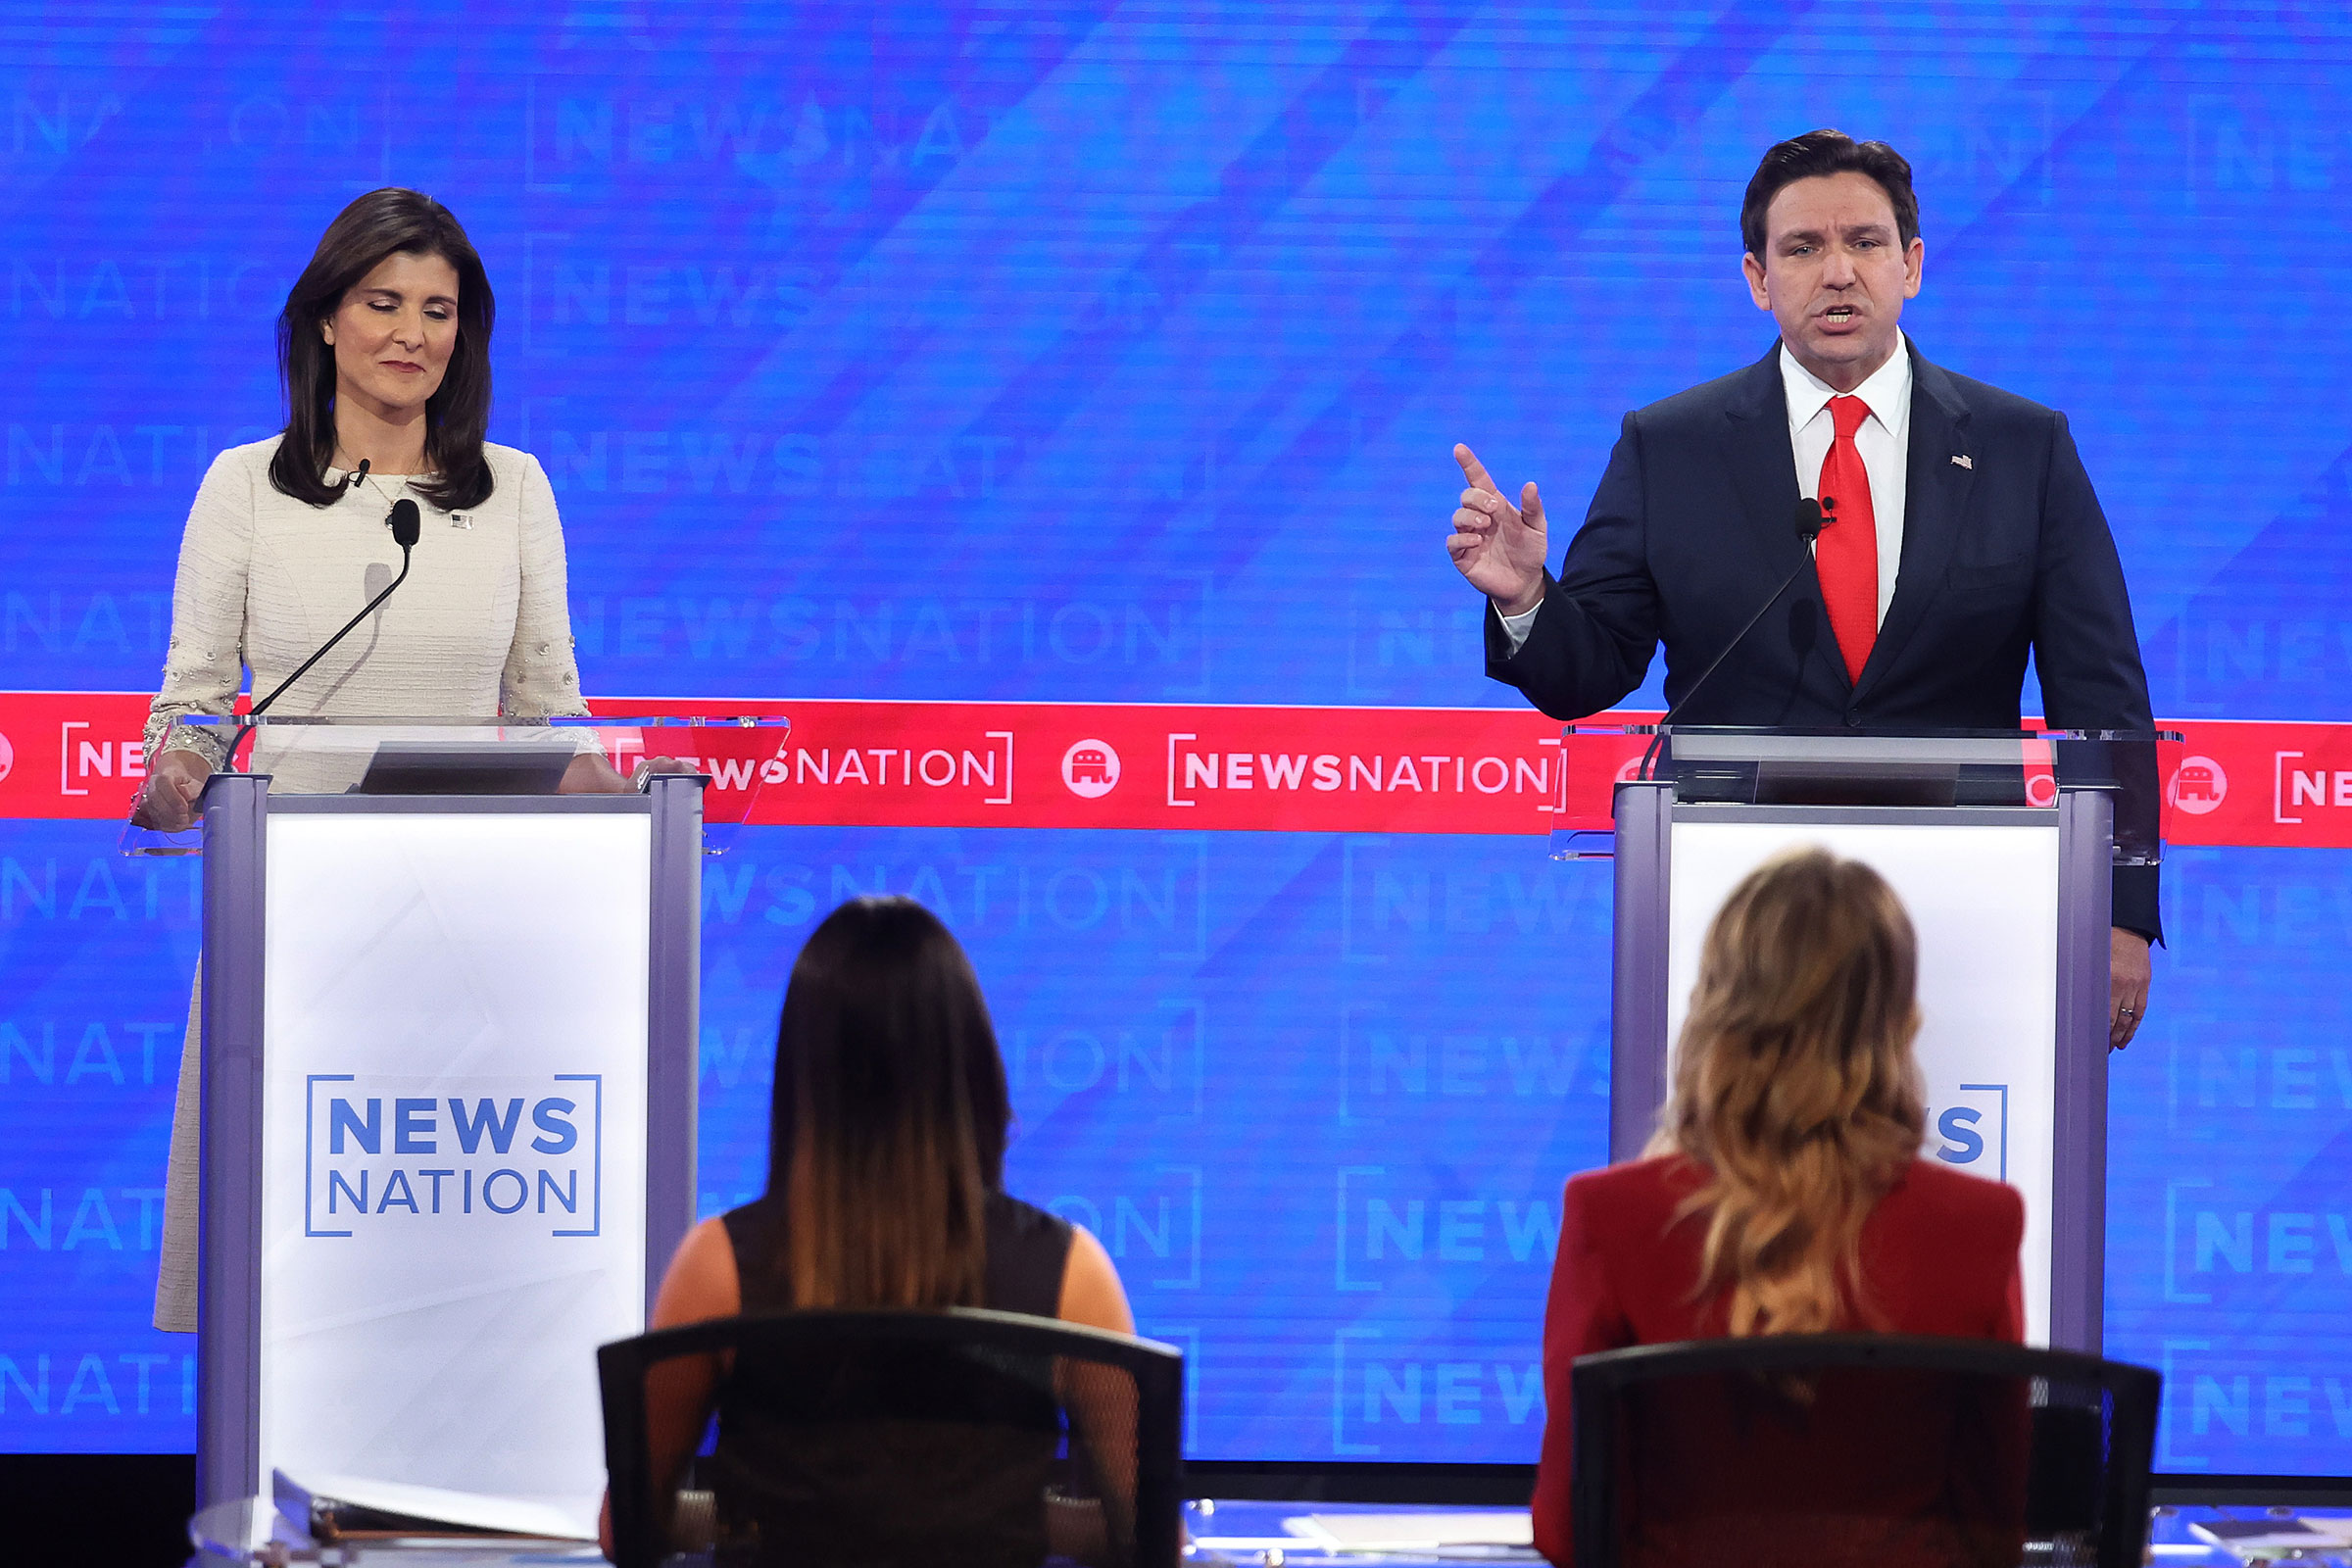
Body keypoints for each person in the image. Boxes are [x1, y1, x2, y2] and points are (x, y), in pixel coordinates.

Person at [1445, 128, 2159, 1051]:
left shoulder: (2026, 448)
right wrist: (1526, 596)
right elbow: (1592, 673)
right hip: (1736, 912)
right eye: (1803, 248)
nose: (1837, 273)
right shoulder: (1672, 447)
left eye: (1864, 243)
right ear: (1756, 278)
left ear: (1912, 265)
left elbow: (2102, 697)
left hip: (1970, 910)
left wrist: (2122, 909)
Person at [133, 188, 622, 1332]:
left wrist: (617, 784)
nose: (414, 334)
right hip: (292, 920)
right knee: (286, 1282)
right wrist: (179, 770)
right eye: (384, 302)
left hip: (467, 927)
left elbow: (551, 713)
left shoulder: (516, 491)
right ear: (324, 321)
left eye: (440, 310)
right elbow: (196, 705)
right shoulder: (243, 488)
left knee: (443, 1286)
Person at [1527, 848, 2025, 1566]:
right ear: (1896, 1018)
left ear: (1716, 1007)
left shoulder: (1612, 1216)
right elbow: (1996, 1527)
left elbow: (1569, 1528)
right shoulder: (1977, 1223)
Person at [603, 897, 1138, 1565]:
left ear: (802, 1072)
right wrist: (1008, 1520)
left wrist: (755, 1513)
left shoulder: (717, 1267)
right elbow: (1145, 1536)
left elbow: (625, 1526)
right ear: (971, 1065)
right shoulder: (1071, 1274)